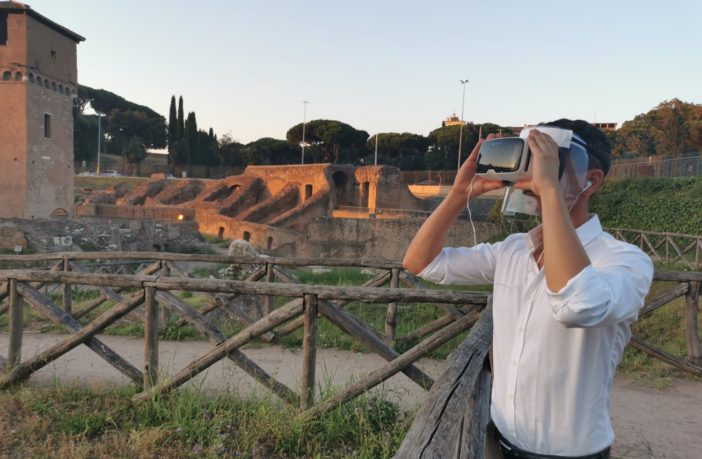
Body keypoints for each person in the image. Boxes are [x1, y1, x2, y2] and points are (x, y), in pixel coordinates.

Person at [403, 119, 653, 458]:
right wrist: (459, 194)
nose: (533, 179)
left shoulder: (625, 261)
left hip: (572, 454)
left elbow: (578, 304)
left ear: (591, 180)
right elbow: (421, 263)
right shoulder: (513, 250)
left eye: (548, 163)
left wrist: (550, 190)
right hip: (499, 440)